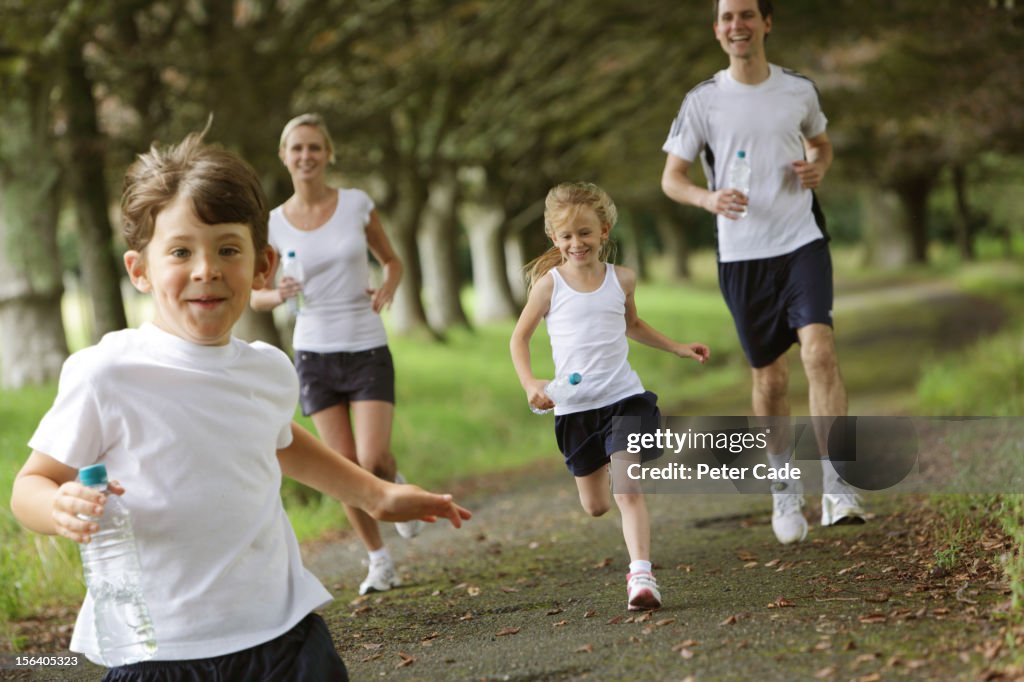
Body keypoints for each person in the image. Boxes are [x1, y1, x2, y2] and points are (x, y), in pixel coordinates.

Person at [9, 130, 471, 681]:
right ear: (140, 270)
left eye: (228, 249)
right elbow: (29, 486)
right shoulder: (106, 374)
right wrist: (59, 507)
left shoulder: (269, 368)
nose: (206, 268)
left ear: (262, 266)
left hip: (284, 635)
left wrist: (376, 494)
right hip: (160, 652)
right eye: (180, 252)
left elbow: (277, 439)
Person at [660, 0, 866, 545]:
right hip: (742, 255)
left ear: (766, 23)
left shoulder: (798, 90)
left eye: (747, 14)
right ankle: (784, 488)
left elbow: (820, 141)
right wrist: (708, 199)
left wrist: (819, 164)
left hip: (802, 240)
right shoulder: (701, 102)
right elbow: (671, 179)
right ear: (717, 30)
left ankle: (840, 486)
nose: (737, 25)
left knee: (819, 351)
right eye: (728, 17)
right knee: (770, 380)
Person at [510, 182, 710, 611]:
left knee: (627, 490)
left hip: (625, 399)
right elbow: (518, 339)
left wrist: (677, 346)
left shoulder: (623, 279)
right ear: (554, 239)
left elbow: (632, 325)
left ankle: (642, 577)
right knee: (596, 506)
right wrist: (530, 383)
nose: (576, 243)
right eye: (566, 236)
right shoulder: (549, 286)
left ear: (604, 231)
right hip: (577, 410)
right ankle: (600, 459)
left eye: (584, 233)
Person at [251, 113, 415, 596]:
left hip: (365, 343)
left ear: (328, 154)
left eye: (314, 148)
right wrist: (277, 295)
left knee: (372, 456)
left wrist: (387, 287)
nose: (306, 156)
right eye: (296, 148)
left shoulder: (356, 205)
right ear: (284, 156)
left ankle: (393, 479)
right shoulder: (274, 224)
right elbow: (253, 294)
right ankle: (379, 560)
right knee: (343, 465)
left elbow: (393, 260)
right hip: (314, 353)